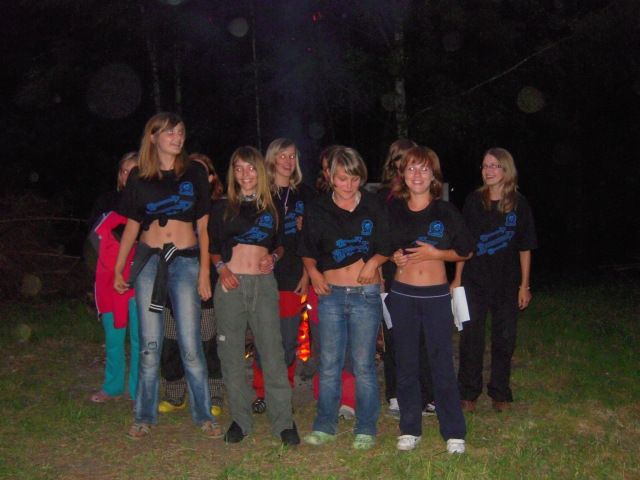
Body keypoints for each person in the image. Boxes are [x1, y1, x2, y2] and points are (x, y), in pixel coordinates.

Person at [114, 112, 222, 439]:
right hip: (149, 262)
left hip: (186, 261)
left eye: (180, 132)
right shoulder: (139, 177)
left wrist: (204, 271)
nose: (177, 138)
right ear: (153, 137)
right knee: (149, 344)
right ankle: (144, 416)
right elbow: (132, 225)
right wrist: (120, 268)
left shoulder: (195, 172)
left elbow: (203, 227)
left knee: (191, 343)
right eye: (169, 132)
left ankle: (204, 415)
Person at [299, 146, 392, 450]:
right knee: (329, 364)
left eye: (354, 178)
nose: (349, 185)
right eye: (342, 179)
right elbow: (308, 250)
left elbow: (387, 245)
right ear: (330, 177)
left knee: (364, 365)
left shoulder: (374, 204)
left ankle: (366, 427)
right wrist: (313, 273)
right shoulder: (317, 208)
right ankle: (325, 425)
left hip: (366, 294)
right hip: (331, 295)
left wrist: (373, 262)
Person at [386, 146, 475, 453]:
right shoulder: (394, 209)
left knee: (441, 363)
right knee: (406, 363)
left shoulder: (445, 211)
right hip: (402, 295)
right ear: (402, 174)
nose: (417, 175)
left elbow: (466, 250)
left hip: (436, 296)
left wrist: (437, 254)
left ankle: (454, 432)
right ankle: (410, 428)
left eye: (424, 169)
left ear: (433, 176)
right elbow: (383, 245)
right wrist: (394, 256)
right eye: (411, 168)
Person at [209, 146, 299, 445]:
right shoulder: (222, 207)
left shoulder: (273, 206)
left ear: (260, 171)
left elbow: (282, 244)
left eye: (250, 168)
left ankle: (283, 423)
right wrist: (221, 269)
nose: (245, 174)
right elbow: (212, 249)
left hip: (263, 285)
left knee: (272, 352)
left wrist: (273, 257)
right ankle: (240, 420)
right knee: (231, 355)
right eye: (239, 168)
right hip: (230, 286)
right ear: (233, 173)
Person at [453, 147, 538, 414]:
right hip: (475, 281)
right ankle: (468, 392)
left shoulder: (519, 204)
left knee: (504, 339)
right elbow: (464, 244)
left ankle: (500, 392)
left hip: (507, 283)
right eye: (485, 166)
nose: (488, 171)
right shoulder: (473, 201)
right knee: (471, 339)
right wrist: (456, 279)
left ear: (506, 169)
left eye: (494, 166)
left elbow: (525, 247)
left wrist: (524, 286)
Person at [250, 138, 316, 414]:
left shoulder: (305, 194)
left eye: (292, 156)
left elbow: (311, 240)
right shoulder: (260, 191)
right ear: (272, 159)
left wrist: (307, 274)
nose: (288, 161)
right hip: (263, 272)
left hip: (292, 274)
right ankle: (262, 391)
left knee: (288, 339)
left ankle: (284, 390)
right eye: (282, 156)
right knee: (264, 337)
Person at [158, 153, 225, 417]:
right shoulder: (176, 204)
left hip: (207, 282)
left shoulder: (219, 208)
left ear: (211, 178)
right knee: (171, 340)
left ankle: (213, 394)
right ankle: (175, 395)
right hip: (173, 281)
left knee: (208, 341)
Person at [376, 139, 435, 421]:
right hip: (392, 271)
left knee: (423, 334)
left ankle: (426, 393)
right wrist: (380, 273)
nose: (407, 165)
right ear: (395, 162)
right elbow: (377, 239)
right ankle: (396, 394)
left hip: (422, 271)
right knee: (394, 335)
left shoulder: (422, 191)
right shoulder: (382, 196)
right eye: (402, 159)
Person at [90, 152, 139, 405]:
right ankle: (113, 386)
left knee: (141, 339)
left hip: (139, 277)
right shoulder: (107, 201)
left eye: (134, 171)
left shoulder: (150, 202)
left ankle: (140, 390)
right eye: (124, 171)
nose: (128, 176)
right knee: (114, 338)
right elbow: (94, 237)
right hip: (109, 279)